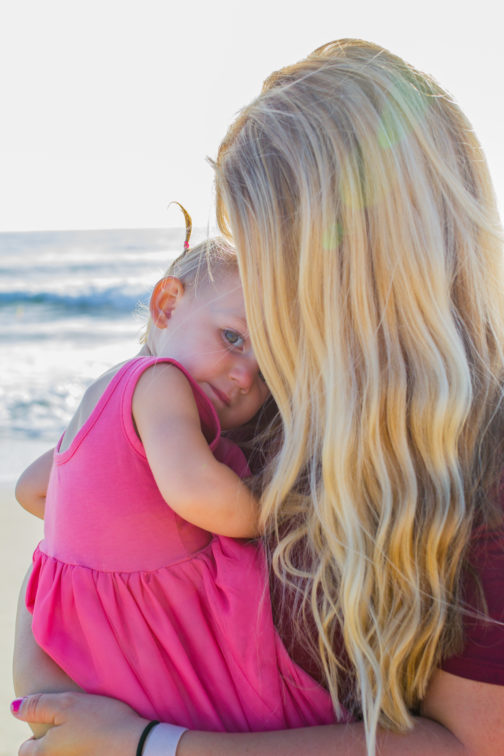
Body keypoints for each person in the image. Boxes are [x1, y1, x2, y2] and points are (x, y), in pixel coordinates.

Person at [11, 38, 504, 756]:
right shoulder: (255, 404)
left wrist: (152, 745)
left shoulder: (480, 459)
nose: (256, 281)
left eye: (270, 245)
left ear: (355, 253)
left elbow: (470, 747)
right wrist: (49, 700)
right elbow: (68, 526)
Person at [14, 231, 344, 737]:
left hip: (103, 646)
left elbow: (35, 488)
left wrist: (112, 534)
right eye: (233, 338)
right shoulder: (159, 381)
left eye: (266, 375)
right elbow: (196, 493)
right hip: (170, 631)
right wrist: (284, 509)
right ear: (167, 306)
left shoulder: (105, 396)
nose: (241, 377)